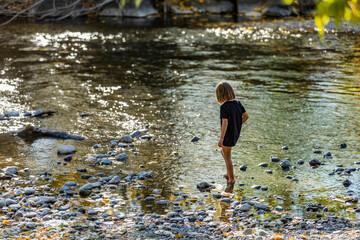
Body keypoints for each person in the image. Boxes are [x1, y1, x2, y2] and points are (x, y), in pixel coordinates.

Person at [216, 82, 248, 185]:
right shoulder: (238, 103)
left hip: (227, 135)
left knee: (227, 156)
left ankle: (231, 179)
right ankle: (229, 173)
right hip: (234, 133)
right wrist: (238, 125)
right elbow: (246, 116)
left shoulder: (224, 107)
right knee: (224, 153)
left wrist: (221, 138)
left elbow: (225, 122)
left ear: (220, 94)